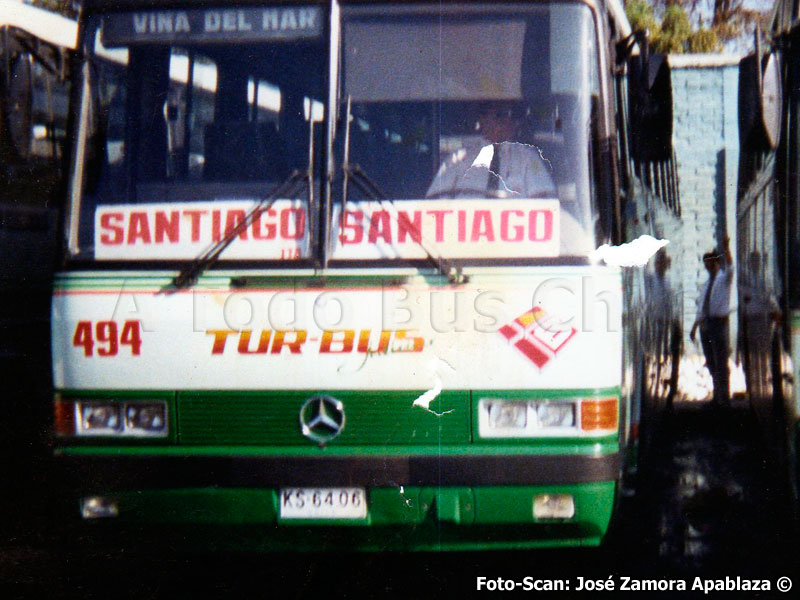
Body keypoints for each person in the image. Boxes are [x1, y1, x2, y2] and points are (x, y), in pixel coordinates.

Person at [425, 102, 556, 199]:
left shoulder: (527, 158)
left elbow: (542, 202)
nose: (506, 120)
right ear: (482, 120)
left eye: (511, 115)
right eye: (499, 115)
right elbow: (434, 202)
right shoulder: (458, 159)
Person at [690, 236, 734, 406]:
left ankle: (725, 397)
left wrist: (726, 247)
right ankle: (717, 396)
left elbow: (730, 266)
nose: (706, 267)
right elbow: (701, 307)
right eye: (705, 264)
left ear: (715, 262)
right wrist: (694, 327)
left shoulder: (724, 279)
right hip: (706, 324)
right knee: (712, 360)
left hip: (719, 323)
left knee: (721, 360)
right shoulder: (706, 283)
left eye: (709, 263)